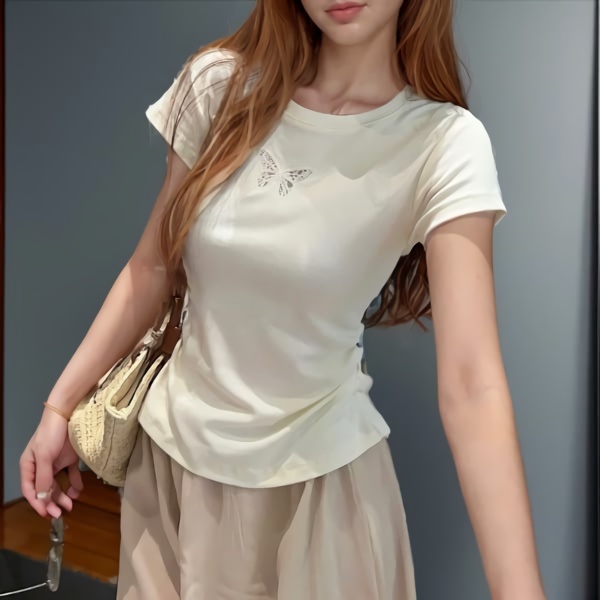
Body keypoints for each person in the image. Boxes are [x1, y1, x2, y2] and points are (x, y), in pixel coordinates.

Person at [19, 1, 547, 599]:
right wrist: (60, 407)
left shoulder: (443, 143)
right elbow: (154, 266)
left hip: (319, 499)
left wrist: (520, 590)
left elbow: (473, 385)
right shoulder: (219, 86)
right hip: (169, 478)